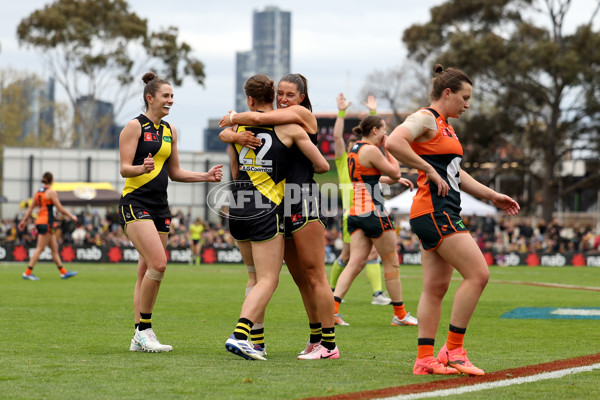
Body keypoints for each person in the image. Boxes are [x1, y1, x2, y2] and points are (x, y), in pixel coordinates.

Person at [386, 64, 520, 376]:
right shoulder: (427, 118)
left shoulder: (445, 126)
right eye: (465, 97)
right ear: (447, 93)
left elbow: (456, 173)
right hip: (436, 211)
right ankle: (454, 350)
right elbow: (393, 142)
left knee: (435, 288)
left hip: (433, 212)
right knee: (478, 274)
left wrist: (492, 195)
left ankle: (424, 359)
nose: (468, 104)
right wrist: (428, 169)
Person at [220, 73, 338, 360]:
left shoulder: (300, 116)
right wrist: (233, 132)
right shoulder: (279, 120)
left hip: (303, 198)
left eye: (290, 95)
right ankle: (314, 339)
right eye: (280, 94)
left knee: (314, 274)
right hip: (282, 204)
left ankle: (329, 345)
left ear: (301, 98)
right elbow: (233, 133)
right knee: (299, 277)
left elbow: (322, 165)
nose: (284, 99)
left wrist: (233, 120)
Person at [120, 72, 223, 353]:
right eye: (166, 96)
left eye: (173, 96)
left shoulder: (170, 131)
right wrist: (141, 168)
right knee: (159, 263)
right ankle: (144, 329)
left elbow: (174, 172)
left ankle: (138, 336)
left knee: (147, 271)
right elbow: (124, 168)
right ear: (150, 97)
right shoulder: (134, 127)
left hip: (160, 207)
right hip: (135, 202)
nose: (170, 100)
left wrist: (204, 176)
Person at [331, 115, 418, 328]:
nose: (386, 133)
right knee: (391, 262)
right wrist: (388, 148)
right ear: (375, 130)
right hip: (373, 211)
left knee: (355, 263)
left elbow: (370, 177)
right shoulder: (372, 150)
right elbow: (395, 170)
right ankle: (400, 314)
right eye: (384, 130)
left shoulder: (356, 150)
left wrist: (394, 179)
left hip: (355, 212)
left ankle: (331, 311)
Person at [18, 172, 78, 280]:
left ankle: (63, 272)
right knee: (40, 249)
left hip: (41, 222)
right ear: (52, 180)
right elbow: (59, 208)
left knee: (54, 248)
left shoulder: (38, 193)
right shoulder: (51, 192)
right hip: (46, 223)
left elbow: (31, 209)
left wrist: (23, 221)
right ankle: (27, 273)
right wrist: (71, 216)